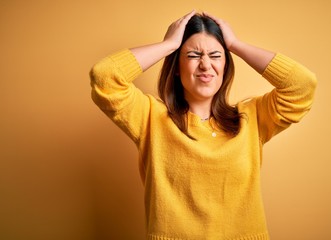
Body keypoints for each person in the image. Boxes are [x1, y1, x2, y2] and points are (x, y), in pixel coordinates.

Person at [90, 10, 317, 240]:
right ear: (176, 67)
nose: (205, 65)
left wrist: (235, 45)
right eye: (193, 55)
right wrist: (169, 44)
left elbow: (302, 85)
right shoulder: (150, 118)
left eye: (216, 55)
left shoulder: (252, 117)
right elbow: (104, 77)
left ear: (226, 66)